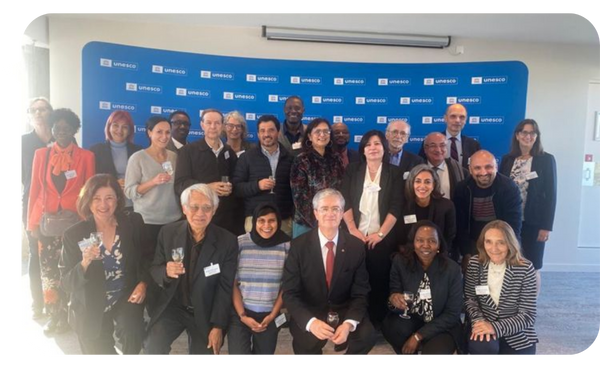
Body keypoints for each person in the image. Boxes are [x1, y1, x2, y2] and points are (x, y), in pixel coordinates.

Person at [60, 174, 149, 357]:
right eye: (96, 199)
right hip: (90, 303)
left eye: (109, 198)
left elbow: (148, 257)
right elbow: (66, 283)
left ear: (118, 199)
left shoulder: (133, 223)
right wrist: (84, 263)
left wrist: (143, 283)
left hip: (125, 295)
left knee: (133, 334)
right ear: (88, 201)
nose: (103, 205)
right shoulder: (73, 234)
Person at [145, 184, 238, 358]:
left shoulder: (228, 241)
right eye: (194, 207)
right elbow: (154, 267)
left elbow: (225, 288)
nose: (200, 214)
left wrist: (218, 326)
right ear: (184, 208)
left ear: (215, 210)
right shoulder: (167, 232)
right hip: (174, 306)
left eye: (207, 208)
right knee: (152, 348)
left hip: (206, 311)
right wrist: (166, 271)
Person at [282, 189, 375, 358]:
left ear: (342, 214)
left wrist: (348, 324)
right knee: (304, 345)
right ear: (316, 213)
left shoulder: (355, 246)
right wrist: (311, 323)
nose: (330, 213)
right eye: (324, 209)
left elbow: (361, 292)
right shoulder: (298, 246)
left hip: (344, 310)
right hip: (311, 311)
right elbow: (290, 293)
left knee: (367, 335)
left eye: (336, 209)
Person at [28, 108, 96, 334]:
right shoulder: (41, 155)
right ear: (52, 129)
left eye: (67, 128)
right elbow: (35, 190)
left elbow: (89, 192)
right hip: (46, 224)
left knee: (72, 270)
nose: (62, 132)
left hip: (75, 224)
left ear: (74, 130)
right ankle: (53, 315)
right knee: (48, 273)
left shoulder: (86, 156)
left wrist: (89, 223)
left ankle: (69, 315)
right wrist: (32, 224)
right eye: (57, 128)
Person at [341, 130, 403, 326]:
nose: (373, 148)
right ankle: (351, 324)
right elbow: (345, 201)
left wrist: (380, 234)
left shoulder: (394, 173)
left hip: (381, 239)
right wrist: (352, 229)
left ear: (384, 148)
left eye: (377, 143)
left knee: (378, 281)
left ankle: (375, 324)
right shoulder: (352, 170)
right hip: (354, 236)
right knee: (352, 282)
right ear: (363, 150)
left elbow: (396, 206)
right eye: (368, 144)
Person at [382, 220, 463, 358]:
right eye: (420, 240)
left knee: (434, 355)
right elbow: (394, 293)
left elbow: (452, 314)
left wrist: (418, 336)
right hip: (411, 320)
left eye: (432, 241)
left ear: (439, 245)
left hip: (441, 325)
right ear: (413, 243)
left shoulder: (452, 269)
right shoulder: (400, 262)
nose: (425, 245)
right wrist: (394, 299)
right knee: (393, 327)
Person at [465, 220, 538, 358]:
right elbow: (470, 300)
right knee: (483, 348)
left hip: (517, 333)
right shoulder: (475, 263)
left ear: (510, 243)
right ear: (483, 243)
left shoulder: (525, 268)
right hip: (483, 326)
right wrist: (479, 322)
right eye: (489, 242)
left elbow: (528, 315)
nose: (494, 248)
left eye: (501, 242)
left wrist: (495, 327)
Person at [499, 119, 557, 293]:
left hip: (534, 223)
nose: (528, 136)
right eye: (524, 132)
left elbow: (551, 195)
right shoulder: (508, 160)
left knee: (532, 266)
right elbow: (500, 191)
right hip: (510, 222)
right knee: (508, 265)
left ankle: (530, 307)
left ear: (537, 137)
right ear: (517, 135)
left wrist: (546, 227)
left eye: (532, 133)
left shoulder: (546, 160)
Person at [227, 203, 291, 358]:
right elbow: (233, 283)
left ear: (278, 222)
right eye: (261, 221)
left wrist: (272, 315)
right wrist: (242, 316)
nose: (266, 226)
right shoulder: (241, 243)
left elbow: (286, 286)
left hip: (269, 315)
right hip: (240, 313)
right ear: (254, 222)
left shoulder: (287, 246)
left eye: (271, 220)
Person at [175, 108, 244, 235]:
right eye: (209, 123)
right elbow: (180, 184)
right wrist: (207, 187)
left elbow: (237, 180)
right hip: (198, 218)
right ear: (202, 125)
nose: (213, 126)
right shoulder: (188, 151)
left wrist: (231, 187)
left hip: (226, 219)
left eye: (217, 123)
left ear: (222, 126)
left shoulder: (228, 152)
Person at [454, 150, 522, 272]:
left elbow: (513, 225)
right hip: (473, 243)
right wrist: (466, 253)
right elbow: (461, 226)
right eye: (477, 168)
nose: (483, 172)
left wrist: (507, 251)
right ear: (470, 170)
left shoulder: (509, 188)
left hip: (502, 242)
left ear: (496, 167)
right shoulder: (462, 189)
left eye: (488, 167)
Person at [124, 116, 181, 259]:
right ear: (149, 133)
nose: (164, 136)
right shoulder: (137, 158)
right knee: (149, 263)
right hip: (147, 222)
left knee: (172, 262)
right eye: (159, 132)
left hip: (173, 220)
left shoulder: (174, 157)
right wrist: (153, 182)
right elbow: (129, 191)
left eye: (167, 132)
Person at [19, 97, 53, 319]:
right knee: (36, 253)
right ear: (29, 115)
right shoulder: (22, 142)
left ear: (50, 112)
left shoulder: (64, 136)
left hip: (61, 209)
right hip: (33, 206)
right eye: (34, 110)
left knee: (58, 255)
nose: (39, 113)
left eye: (43, 109)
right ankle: (38, 304)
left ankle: (57, 302)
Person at [233, 115, 294, 236]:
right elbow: (237, 188)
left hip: (283, 219)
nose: (266, 134)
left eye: (271, 130)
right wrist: (257, 186)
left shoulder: (290, 158)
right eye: (262, 131)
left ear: (278, 132)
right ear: (258, 134)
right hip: (255, 219)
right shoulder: (246, 157)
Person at [290, 118, 345, 238]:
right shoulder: (301, 160)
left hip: (332, 220)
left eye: (326, 131)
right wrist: (318, 220)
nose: (322, 135)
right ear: (309, 136)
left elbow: (342, 190)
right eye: (317, 131)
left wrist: (332, 217)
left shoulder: (337, 159)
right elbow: (299, 196)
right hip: (306, 223)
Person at [89, 110, 142, 209]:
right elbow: (92, 180)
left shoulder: (138, 151)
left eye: (124, 127)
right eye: (115, 125)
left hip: (134, 204)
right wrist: (114, 182)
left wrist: (130, 182)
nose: (119, 130)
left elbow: (144, 178)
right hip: (107, 205)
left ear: (130, 131)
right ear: (109, 127)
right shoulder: (96, 150)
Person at [397, 165, 456, 250]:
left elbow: (449, 236)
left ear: (434, 185)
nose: (422, 186)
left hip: (438, 254)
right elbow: (400, 238)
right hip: (408, 255)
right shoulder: (403, 206)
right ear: (412, 183)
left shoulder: (447, 206)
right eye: (418, 181)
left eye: (427, 182)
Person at [419, 104, 481, 168]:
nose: (457, 120)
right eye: (453, 116)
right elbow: (421, 167)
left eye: (462, 117)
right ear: (445, 118)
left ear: (466, 120)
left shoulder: (474, 145)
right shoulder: (430, 141)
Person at [422, 132, 468, 200]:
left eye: (442, 145)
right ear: (425, 149)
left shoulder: (461, 171)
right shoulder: (417, 170)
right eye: (433, 145)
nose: (438, 150)